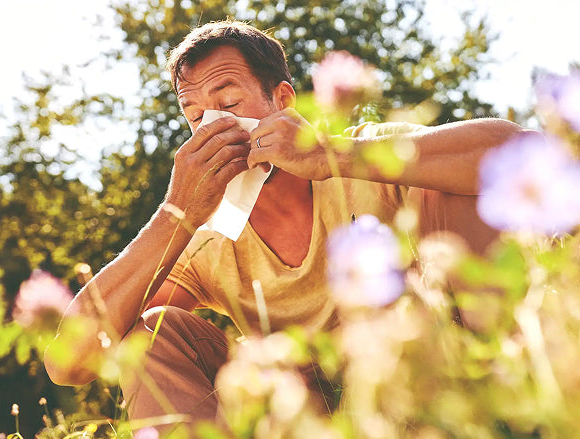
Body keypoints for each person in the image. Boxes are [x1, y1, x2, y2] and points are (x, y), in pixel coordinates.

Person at [44, 19, 527, 433]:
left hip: (424, 378)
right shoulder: (206, 238)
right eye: (195, 118)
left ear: (282, 99)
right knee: (150, 329)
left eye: (230, 102)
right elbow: (69, 363)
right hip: (301, 419)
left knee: (451, 181)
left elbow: (520, 154)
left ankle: (512, 399)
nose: (215, 126)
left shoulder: (359, 155)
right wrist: (179, 211)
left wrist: (329, 155)